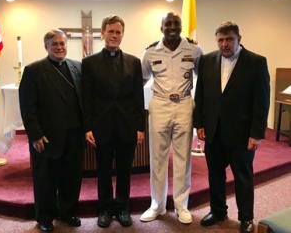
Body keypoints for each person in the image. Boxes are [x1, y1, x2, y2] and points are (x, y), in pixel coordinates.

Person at [193, 21, 270, 233]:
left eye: (229, 39)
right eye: (220, 40)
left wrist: (256, 134)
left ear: (239, 39)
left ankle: (246, 218)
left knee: (243, 177)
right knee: (215, 175)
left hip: (242, 134)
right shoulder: (207, 60)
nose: (224, 44)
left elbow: (261, 102)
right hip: (213, 132)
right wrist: (198, 123)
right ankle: (218, 211)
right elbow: (200, 95)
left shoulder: (256, 62)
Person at [82, 15, 145, 228]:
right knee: (104, 171)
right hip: (102, 126)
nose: (114, 35)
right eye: (111, 31)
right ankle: (105, 209)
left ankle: (123, 208)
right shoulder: (89, 63)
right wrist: (88, 126)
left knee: (125, 171)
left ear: (122, 35)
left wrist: (140, 127)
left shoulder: (134, 62)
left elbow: (138, 97)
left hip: (127, 126)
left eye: (118, 32)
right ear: (103, 33)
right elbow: (86, 98)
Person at [19, 29, 84, 232]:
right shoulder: (34, 70)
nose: (59, 47)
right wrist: (35, 134)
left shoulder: (77, 67)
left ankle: (67, 211)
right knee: (45, 179)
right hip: (47, 136)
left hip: (74, 133)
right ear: (46, 46)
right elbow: (27, 106)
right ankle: (44, 217)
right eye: (54, 44)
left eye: (62, 44)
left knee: (72, 176)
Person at [140, 12, 202, 224]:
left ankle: (181, 206)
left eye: (176, 23)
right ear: (161, 28)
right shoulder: (150, 52)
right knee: (157, 157)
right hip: (160, 105)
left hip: (184, 104)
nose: (172, 27)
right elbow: (142, 78)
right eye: (168, 24)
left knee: (183, 157)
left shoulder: (194, 49)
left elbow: (204, 80)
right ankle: (157, 205)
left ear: (181, 25)